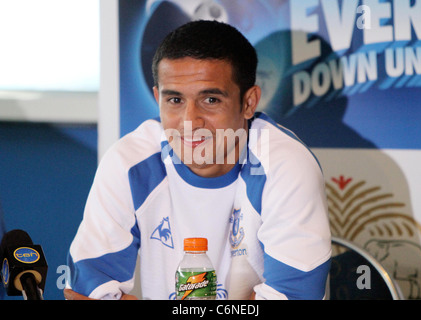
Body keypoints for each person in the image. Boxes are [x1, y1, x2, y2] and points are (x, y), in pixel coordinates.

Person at [64, 20, 331, 300]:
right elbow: (87, 292)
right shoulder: (129, 163)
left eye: (211, 100)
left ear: (249, 102)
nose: (190, 121)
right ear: (158, 98)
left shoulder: (285, 165)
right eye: (175, 100)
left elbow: (293, 297)